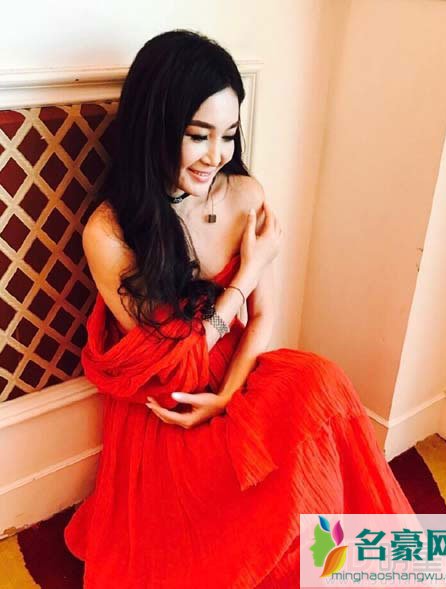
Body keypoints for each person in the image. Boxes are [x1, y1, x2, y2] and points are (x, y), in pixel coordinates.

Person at [63, 29, 415, 588]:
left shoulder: (245, 194)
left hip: (234, 376)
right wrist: (247, 273)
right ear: (154, 126)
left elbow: (265, 317)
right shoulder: (109, 233)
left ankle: (357, 563)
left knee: (321, 383)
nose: (216, 155)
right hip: (169, 404)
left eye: (227, 135)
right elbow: (173, 363)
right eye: (197, 135)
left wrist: (228, 395)